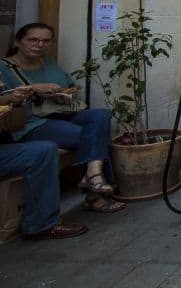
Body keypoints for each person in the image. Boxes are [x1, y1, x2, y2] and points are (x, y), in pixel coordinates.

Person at [0, 23, 124, 213]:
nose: (39, 44)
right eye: (33, 40)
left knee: (101, 115)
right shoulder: (4, 68)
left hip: (60, 113)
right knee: (90, 136)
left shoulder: (47, 62)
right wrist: (34, 89)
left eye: (45, 41)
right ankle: (96, 193)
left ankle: (92, 173)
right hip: (31, 123)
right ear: (18, 41)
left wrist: (65, 92)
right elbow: (4, 99)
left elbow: (68, 85)